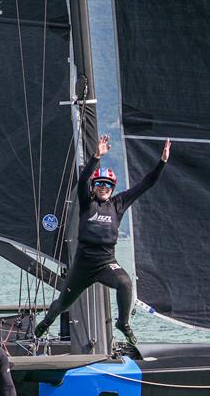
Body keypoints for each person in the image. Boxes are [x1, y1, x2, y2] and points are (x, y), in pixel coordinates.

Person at [34, 135, 171, 353]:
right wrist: (96, 156)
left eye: (108, 185)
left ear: (113, 187)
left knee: (125, 283)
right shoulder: (87, 202)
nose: (103, 188)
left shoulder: (118, 204)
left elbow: (146, 184)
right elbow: (83, 179)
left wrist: (162, 162)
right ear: (94, 187)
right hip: (83, 266)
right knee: (62, 304)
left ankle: (123, 323)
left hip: (106, 262)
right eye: (99, 184)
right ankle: (44, 323)